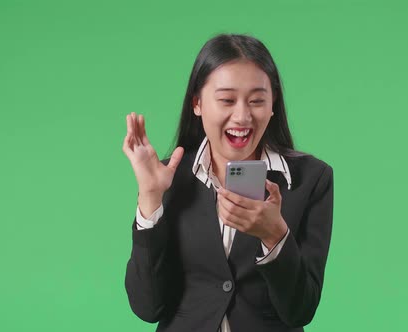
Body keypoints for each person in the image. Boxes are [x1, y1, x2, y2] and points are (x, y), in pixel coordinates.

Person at [122, 33, 334, 332]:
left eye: (257, 100)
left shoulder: (311, 179)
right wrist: (150, 197)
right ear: (197, 103)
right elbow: (147, 306)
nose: (242, 116)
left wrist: (275, 236)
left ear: (273, 104)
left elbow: (300, 311)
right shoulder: (170, 176)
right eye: (226, 100)